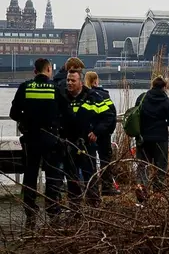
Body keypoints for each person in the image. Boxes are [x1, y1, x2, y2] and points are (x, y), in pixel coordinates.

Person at [9, 58, 73, 229]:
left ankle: (30, 211)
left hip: (31, 138)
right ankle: (52, 210)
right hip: (51, 138)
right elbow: (67, 113)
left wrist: (26, 122)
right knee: (52, 176)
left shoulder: (25, 87)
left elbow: (13, 113)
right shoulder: (55, 88)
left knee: (30, 175)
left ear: (34, 71)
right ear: (49, 70)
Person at [61, 69, 114, 208]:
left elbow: (108, 117)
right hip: (68, 143)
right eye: (68, 80)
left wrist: (97, 131)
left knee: (89, 176)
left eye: (73, 80)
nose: (69, 83)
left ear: (80, 82)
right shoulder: (63, 98)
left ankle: (94, 206)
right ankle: (75, 208)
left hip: (86, 144)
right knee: (71, 178)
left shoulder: (92, 97)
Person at [134, 75, 169, 195]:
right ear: (164, 87)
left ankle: (142, 188)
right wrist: (164, 122)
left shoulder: (142, 98)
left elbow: (136, 114)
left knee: (142, 165)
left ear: (152, 85)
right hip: (160, 139)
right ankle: (157, 192)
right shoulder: (166, 102)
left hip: (143, 138)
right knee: (160, 167)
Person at [84, 71, 120, 196]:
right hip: (103, 133)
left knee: (89, 161)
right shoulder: (104, 95)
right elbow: (112, 115)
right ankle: (106, 187)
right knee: (105, 160)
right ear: (96, 81)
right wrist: (108, 131)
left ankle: (90, 188)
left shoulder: (84, 95)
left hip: (89, 134)